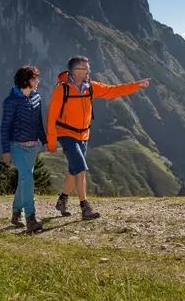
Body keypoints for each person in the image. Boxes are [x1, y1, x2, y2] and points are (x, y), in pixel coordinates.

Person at [46, 55, 150, 219]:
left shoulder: (91, 87)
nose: (89, 71)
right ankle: (85, 208)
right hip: (66, 134)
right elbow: (51, 116)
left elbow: (112, 90)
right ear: (75, 71)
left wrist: (136, 86)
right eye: (85, 68)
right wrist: (51, 141)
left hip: (84, 135)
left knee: (73, 170)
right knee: (80, 168)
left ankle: (62, 200)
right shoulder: (62, 90)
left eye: (88, 68)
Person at [0, 65, 47, 233]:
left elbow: (39, 123)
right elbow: (4, 127)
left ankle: (15, 212)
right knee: (27, 176)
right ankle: (31, 217)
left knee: (24, 179)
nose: (38, 81)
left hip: (32, 146)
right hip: (16, 146)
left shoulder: (36, 98)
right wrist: (6, 151)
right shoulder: (11, 101)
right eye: (35, 78)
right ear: (27, 81)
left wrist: (45, 140)